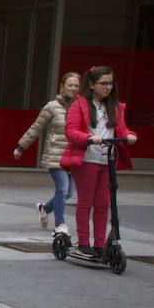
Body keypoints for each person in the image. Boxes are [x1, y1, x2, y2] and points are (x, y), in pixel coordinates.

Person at [60, 65, 138, 257]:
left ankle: (100, 244)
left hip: (107, 160)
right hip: (87, 159)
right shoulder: (80, 105)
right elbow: (70, 131)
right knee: (86, 202)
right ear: (92, 84)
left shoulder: (114, 107)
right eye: (104, 83)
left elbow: (122, 130)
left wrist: (130, 136)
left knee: (103, 204)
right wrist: (88, 137)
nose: (108, 87)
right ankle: (84, 242)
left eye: (111, 83)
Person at [14, 72, 80, 235]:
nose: (73, 88)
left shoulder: (80, 106)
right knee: (63, 190)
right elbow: (36, 127)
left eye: (76, 86)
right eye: (70, 85)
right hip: (55, 154)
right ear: (62, 86)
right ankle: (60, 225)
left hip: (73, 155)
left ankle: (45, 208)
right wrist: (21, 147)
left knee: (69, 193)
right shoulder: (52, 106)